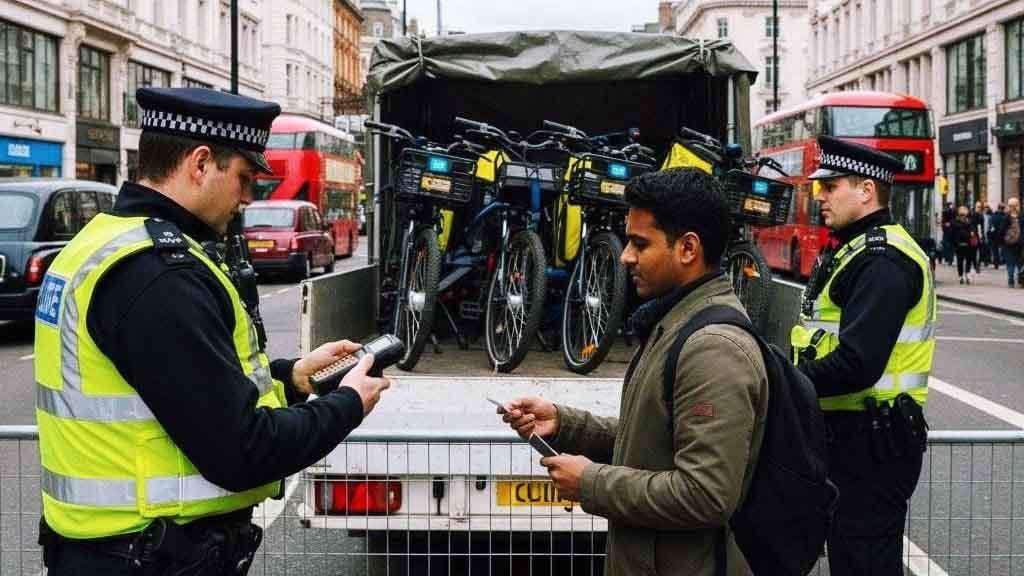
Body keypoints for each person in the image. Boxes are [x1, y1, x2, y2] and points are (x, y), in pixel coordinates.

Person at [34, 87, 391, 574]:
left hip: (110, 550)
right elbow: (244, 450)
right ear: (200, 163)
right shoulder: (158, 273)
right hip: (147, 557)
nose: (247, 197)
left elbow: (174, 391)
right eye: (244, 177)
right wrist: (347, 403)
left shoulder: (103, 241)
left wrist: (294, 378)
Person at [498, 168, 769, 576]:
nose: (626, 256)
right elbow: (655, 441)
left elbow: (706, 494)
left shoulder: (712, 349)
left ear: (688, 248)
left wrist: (591, 483)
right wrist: (567, 423)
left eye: (640, 243)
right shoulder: (676, 322)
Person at [792, 136, 934, 576]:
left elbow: (858, 363)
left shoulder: (884, 260)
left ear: (867, 189)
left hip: (872, 442)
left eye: (831, 186)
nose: (821, 196)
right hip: (850, 437)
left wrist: (777, 381)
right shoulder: (857, 249)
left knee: (865, 564)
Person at [997, 197, 1022, 287]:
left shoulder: (1006, 218)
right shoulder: (1021, 217)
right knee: (1020, 263)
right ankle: (1020, 280)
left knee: (1010, 263)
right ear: (1018, 206)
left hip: (1008, 244)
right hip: (1019, 244)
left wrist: (1000, 243)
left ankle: (1011, 281)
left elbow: (1001, 231)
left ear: (1009, 206)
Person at [952, 205, 976, 284]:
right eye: (962, 214)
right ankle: (961, 275)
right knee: (960, 260)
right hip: (959, 244)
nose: (963, 215)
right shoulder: (956, 222)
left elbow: (973, 230)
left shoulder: (969, 221)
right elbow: (953, 233)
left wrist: (972, 232)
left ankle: (966, 274)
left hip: (968, 243)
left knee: (967, 259)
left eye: (964, 214)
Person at [989, 203, 1007, 269]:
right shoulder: (1005, 216)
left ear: (998, 208)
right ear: (1003, 209)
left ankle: (996, 263)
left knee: (995, 250)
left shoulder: (993, 216)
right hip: (1002, 236)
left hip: (994, 236)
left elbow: (990, 226)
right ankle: (1003, 261)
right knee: (1004, 249)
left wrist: (990, 233)